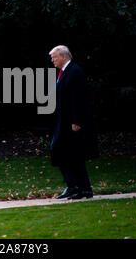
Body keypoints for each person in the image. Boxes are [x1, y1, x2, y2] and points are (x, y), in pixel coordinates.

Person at [49, 45, 99, 199]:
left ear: (63, 57)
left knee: (68, 153)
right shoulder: (65, 72)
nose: (52, 60)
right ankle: (76, 186)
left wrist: (76, 121)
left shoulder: (74, 71)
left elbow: (79, 98)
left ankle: (80, 188)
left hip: (71, 122)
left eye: (55, 57)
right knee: (64, 153)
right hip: (64, 121)